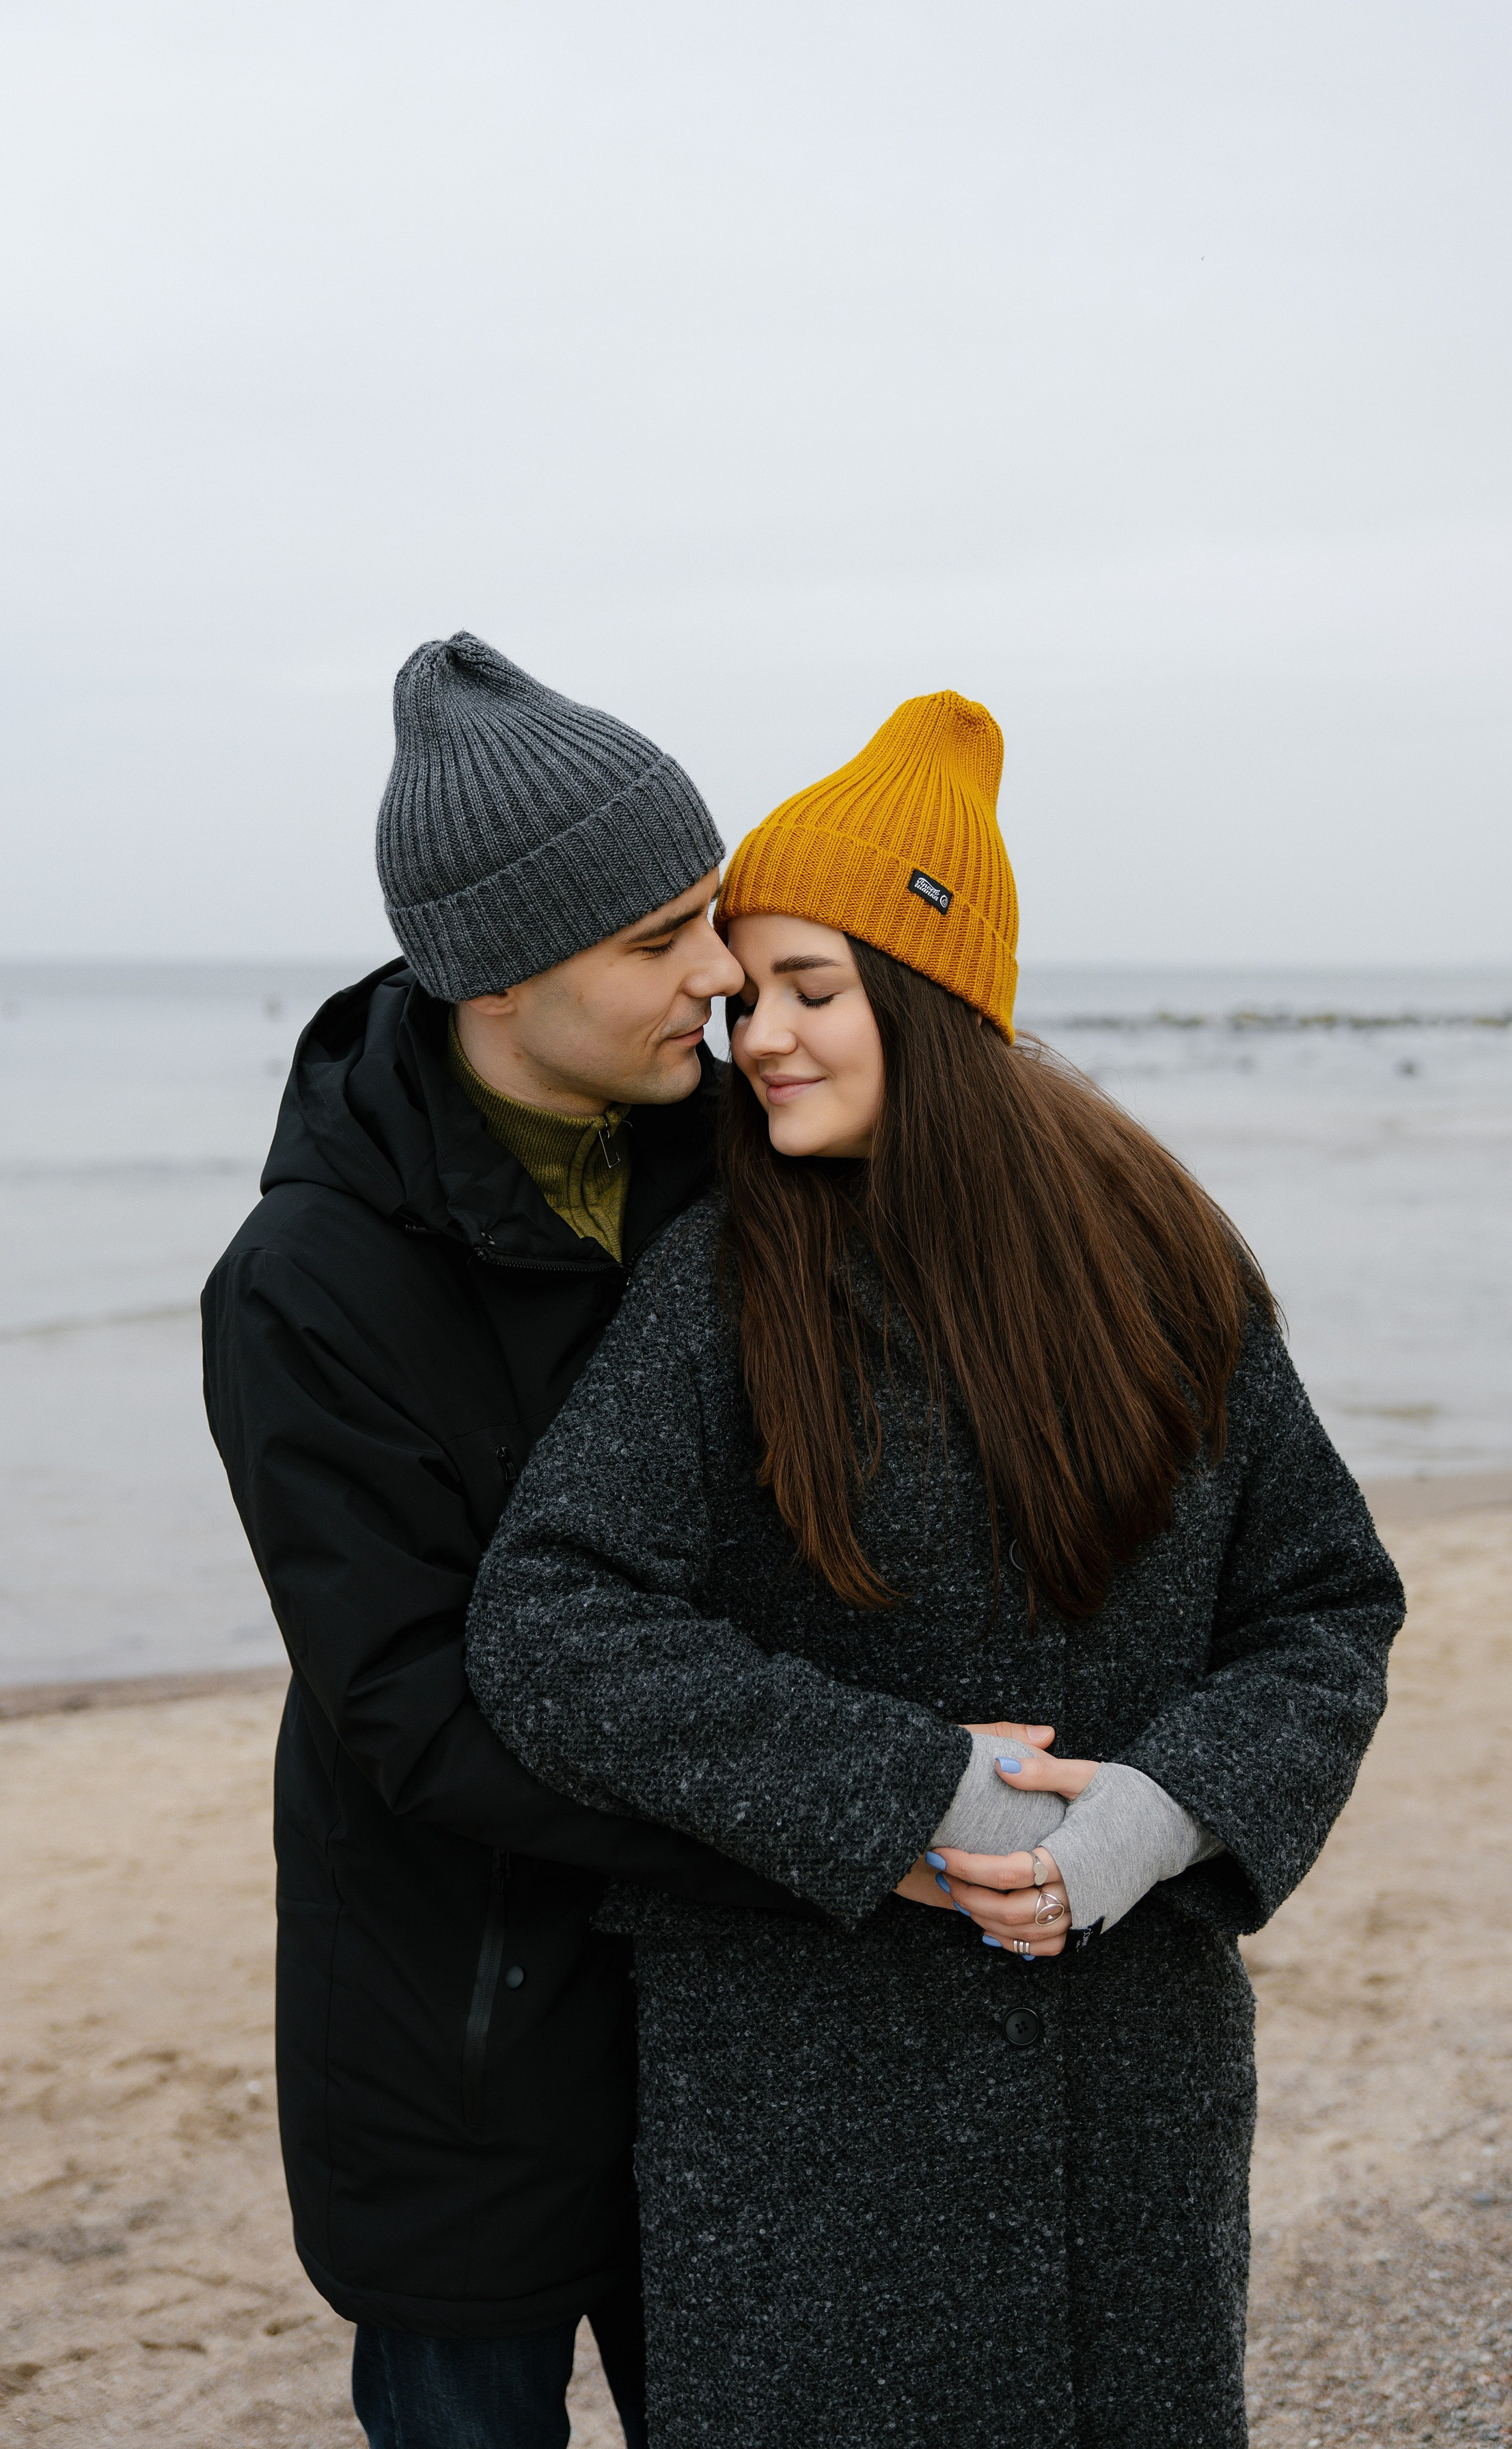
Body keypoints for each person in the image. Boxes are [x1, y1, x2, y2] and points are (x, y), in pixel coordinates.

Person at [465, 689, 1408, 2448]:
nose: (758, 1041)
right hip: (807, 2093)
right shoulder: (722, 1281)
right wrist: (906, 1790)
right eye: (747, 996)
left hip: (1127, 2072)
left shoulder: (1166, 1258)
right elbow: (551, 1619)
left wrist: (1163, 1813)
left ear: (938, 991)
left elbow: (1324, 1603)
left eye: (812, 990)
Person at [202, 632, 831, 2449]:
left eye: (712, 919)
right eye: (659, 942)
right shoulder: (303, 1288)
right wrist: (817, 1821)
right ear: (490, 974)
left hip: (732, 2025)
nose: (720, 981)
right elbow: (409, 1706)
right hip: (449, 2028)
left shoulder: (750, 1165)